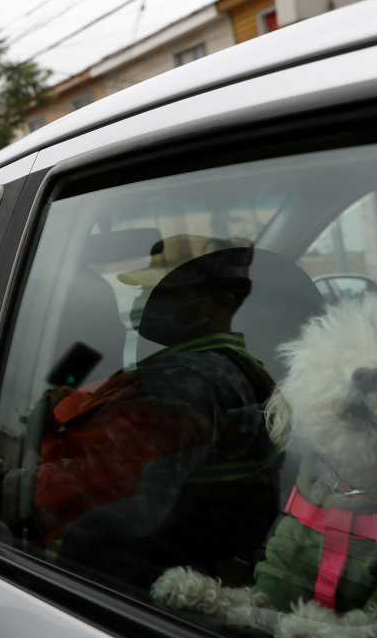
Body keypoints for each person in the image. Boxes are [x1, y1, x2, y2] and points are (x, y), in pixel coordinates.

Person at [33, 236, 281, 589]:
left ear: (219, 302)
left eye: (160, 292)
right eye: (143, 290)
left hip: (127, 580)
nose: (141, 301)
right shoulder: (242, 368)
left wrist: (8, 479)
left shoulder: (178, 384)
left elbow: (69, 494)